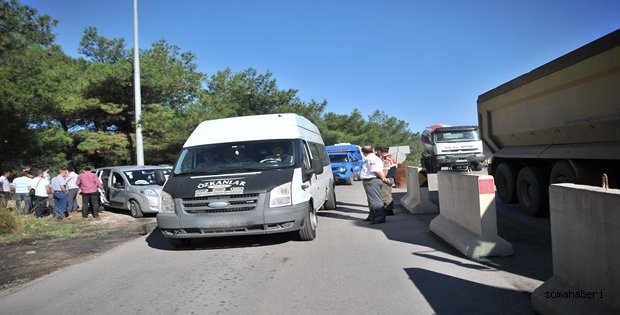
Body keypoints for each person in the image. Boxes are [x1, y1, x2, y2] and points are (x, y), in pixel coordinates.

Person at [359, 145, 390, 224]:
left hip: (372, 180)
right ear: (372, 150)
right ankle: (372, 216)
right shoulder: (372, 158)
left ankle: (379, 218)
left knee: (375, 200)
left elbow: (376, 170)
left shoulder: (371, 158)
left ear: (363, 152)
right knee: (371, 200)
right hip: (370, 180)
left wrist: (383, 178)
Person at [376, 146, 397, 216]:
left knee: (385, 195)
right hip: (390, 178)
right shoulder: (390, 157)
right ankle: (389, 209)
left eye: (377, 151)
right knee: (388, 194)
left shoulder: (386, 160)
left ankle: (388, 210)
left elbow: (385, 171)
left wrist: (382, 178)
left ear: (379, 151)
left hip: (386, 179)